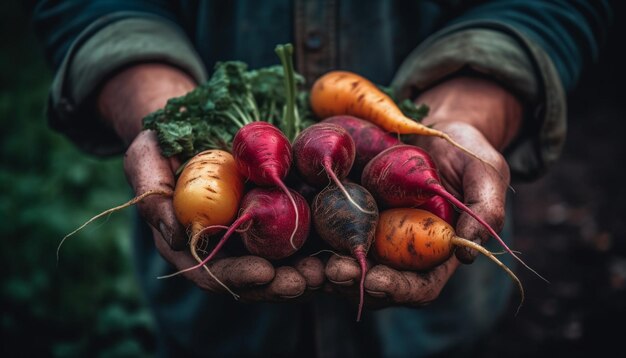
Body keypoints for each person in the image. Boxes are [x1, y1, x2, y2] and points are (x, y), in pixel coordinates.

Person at [33, 1, 611, 357]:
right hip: (212, 330)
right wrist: (157, 106)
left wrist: (466, 117)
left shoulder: (355, 157)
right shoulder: (259, 170)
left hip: (438, 335)